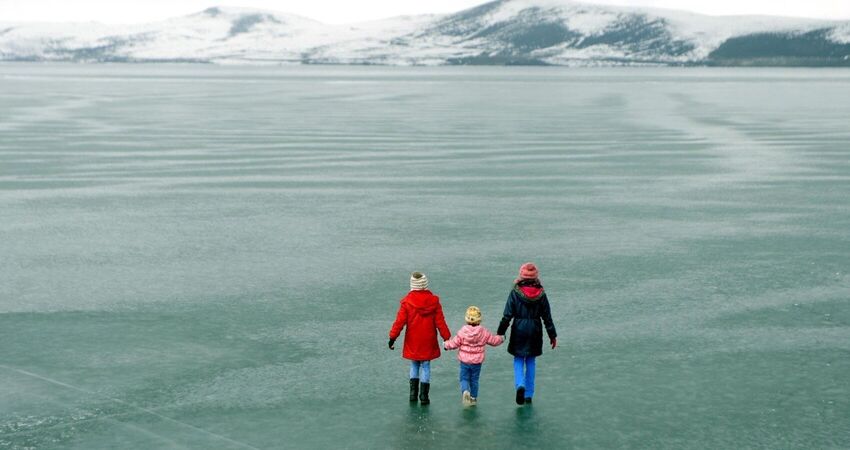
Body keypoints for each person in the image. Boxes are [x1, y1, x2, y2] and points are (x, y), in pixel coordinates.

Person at [497, 262, 557, 405]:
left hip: (518, 328)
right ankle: (529, 394)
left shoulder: (515, 292)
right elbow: (547, 316)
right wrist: (552, 335)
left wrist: (500, 332)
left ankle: (520, 385)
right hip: (535, 329)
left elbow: (507, 315)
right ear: (536, 276)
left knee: (518, 359)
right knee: (531, 361)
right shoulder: (541, 293)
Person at [388, 271, 451, 405]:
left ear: (412, 285)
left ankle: (412, 394)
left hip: (413, 339)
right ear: (425, 284)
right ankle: (424, 396)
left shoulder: (407, 302)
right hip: (428, 339)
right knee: (426, 366)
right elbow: (440, 321)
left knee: (414, 364)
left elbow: (399, 322)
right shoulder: (434, 302)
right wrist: (446, 338)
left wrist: (392, 337)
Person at [444, 306, 504, 406]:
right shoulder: (483, 331)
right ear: (479, 319)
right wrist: (502, 338)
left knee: (464, 378)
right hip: (477, 362)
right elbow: (494, 341)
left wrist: (445, 344)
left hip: (465, 361)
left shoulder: (463, 331)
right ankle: (473, 398)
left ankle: (465, 391)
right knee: (474, 380)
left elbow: (454, 343)